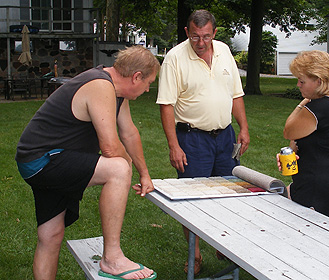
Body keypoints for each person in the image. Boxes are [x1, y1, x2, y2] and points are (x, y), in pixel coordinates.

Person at [15, 45, 160, 280]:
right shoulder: (100, 85)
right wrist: (127, 170)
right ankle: (112, 258)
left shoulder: (117, 92)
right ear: (136, 77)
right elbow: (110, 147)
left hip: (41, 159)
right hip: (45, 159)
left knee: (51, 234)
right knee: (118, 168)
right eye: (148, 83)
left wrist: (144, 173)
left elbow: (130, 133)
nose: (147, 89)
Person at [156, 9, 250, 275]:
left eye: (206, 36)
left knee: (230, 194)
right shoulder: (174, 58)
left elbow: (236, 94)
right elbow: (166, 105)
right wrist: (174, 145)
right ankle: (195, 255)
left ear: (214, 33)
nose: (201, 43)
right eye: (195, 37)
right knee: (191, 199)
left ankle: (223, 244)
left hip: (226, 137)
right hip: (192, 139)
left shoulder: (223, 51)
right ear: (187, 32)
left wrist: (243, 127)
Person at [277, 50, 329, 221]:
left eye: (302, 80)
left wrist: (302, 103)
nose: (298, 85)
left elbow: (288, 130)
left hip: (313, 192)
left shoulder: (320, 109)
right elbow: (313, 142)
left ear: (318, 81)